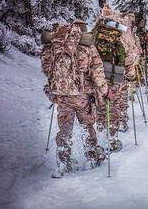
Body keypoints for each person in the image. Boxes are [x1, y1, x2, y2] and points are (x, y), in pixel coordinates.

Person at [41, 19, 111, 177]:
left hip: (61, 96)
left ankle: (63, 163)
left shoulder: (54, 44)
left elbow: (46, 67)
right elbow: (97, 71)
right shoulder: (87, 45)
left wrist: (58, 84)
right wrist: (105, 90)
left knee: (65, 129)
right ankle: (91, 158)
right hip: (82, 96)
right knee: (87, 127)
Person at [93, 4, 139, 140]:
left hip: (98, 77)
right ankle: (111, 139)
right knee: (113, 107)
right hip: (116, 76)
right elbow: (129, 57)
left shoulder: (95, 31)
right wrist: (131, 75)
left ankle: (101, 134)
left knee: (100, 107)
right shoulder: (121, 33)